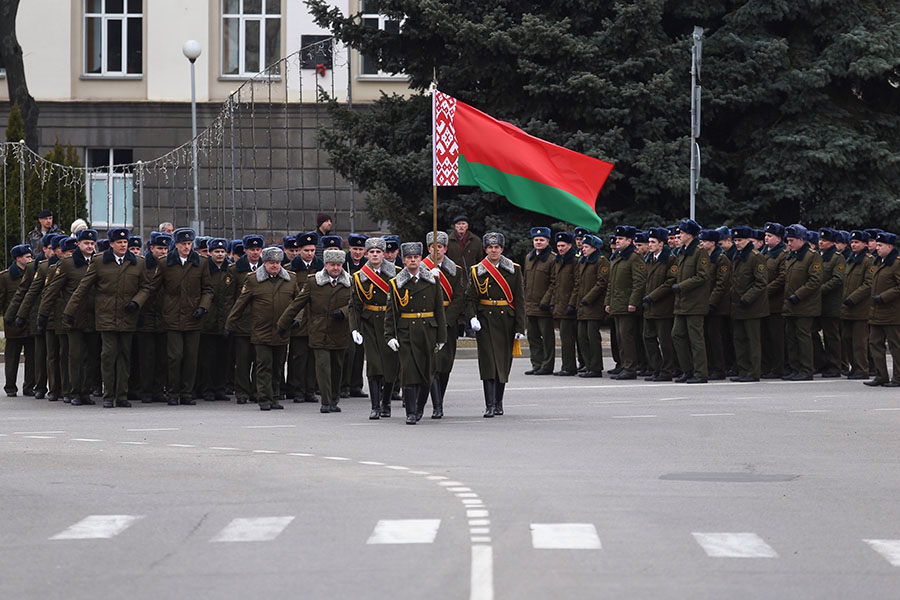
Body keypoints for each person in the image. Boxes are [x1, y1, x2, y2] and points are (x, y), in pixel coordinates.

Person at [64, 228, 152, 408]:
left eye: (125, 242)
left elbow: (146, 287)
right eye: (119, 242)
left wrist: (137, 303)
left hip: (128, 316)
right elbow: (83, 288)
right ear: (111, 244)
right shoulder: (99, 262)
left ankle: (121, 395)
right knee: (108, 355)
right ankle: (108, 395)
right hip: (106, 316)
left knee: (124, 356)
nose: (123, 245)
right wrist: (69, 312)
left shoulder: (138, 263)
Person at [279, 247, 352, 413]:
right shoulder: (314, 282)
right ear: (325, 265)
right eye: (332, 264)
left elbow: (356, 305)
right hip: (319, 331)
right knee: (323, 367)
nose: (335, 268)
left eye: (339, 265)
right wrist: (283, 324)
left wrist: (344, 312)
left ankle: (334, 400)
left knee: (337, 368)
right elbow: (296, 304)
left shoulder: (349, 283)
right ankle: (326, 402)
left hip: (340, 332)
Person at [227, 247, 300, 410]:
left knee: (278, 365)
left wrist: (296, 319)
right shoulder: (253, 280)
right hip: (261, 330)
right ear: (264, 263)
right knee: (264, 365)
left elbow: (299, 303)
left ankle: (275, 396)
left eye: (277, 263)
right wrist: (230, 324)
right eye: (271, 263)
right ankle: (264, 398)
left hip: (282, 330)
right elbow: (240, 304)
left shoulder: (291, 279)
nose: (274, 266)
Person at [384, 242, 447, 424]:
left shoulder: (432, 281)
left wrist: (441, 336)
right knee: (409, 372)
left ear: (421, 259)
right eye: (409, 258)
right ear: (403, 260)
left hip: (428, 330)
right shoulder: (396, 283)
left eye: (416, 257)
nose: (413, 260)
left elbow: (439, 311)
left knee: (427, 374)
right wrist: (389, 336)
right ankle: (411, 412)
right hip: (406, 332)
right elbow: (392, 313)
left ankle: (420, 408)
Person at [465, 232, 525, 417]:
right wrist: (472, 317)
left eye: (496, 247)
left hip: (506, 321)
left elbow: (520, 299)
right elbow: (470, 298)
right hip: (485, 322)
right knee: (488, 363)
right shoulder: (477, 270)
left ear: (502, 249)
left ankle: (499, 402)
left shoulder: (513, 269)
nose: (493, 250)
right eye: (490, 247)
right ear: (485, 249)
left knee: (503, 363)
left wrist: (520, 327)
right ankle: (489, 404)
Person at [151, 227, 213, 405]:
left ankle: (186, 392)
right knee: (174, 357)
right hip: (172, 316)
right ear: (176, 244)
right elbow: (153, 287)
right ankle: (173, 392)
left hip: (194, 316)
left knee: (191, 357)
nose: (187, 247)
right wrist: (139, 303)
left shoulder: (201, 262)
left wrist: (203, 307)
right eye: (183, 244)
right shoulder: (165, 263)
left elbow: (208, 289)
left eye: (189, 243)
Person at [40, 229, 100, 405]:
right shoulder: (67, 264)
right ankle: (74, 392)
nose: (89, 246)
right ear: (78, 244)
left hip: (94, 317)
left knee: (91, 357)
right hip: (72, 317)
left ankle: (86, 391)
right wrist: (43, 314)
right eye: (86, 243)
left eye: (92, 243)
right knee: (75, 356)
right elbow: (52, 291)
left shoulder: (98, 262)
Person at [349, 237, 398, 419]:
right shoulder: (360, 277)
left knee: (390, 366)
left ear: (384, 254)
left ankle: (386, 404)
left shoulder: (395, 273)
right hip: (370, 324)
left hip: (390, 324)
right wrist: (355, 328)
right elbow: (354, 305)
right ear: (367, 254)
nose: (375, 255)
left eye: (378, 252)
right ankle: (375, 406)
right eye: (372, 252)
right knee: (374, 366)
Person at [423, 230, 464, 417]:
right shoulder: (419, 268)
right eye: (432, 247)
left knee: (445, 364)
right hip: (427, 321)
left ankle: (440, 400)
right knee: (432, 364)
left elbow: (458, 298)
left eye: (439, 247)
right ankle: (436, 406)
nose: (435, 250)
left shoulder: (455, 270)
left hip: (447, 321)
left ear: (445, 249)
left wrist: (447, 320)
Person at [13, 234, 57, 399]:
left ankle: (56, 387)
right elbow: (26, 293)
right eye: (51, 248)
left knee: (55, 354)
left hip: (56, 316)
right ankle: (39, 386)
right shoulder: (36, 266)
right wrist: (17, 316)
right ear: (45, 249)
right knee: (39, 354)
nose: (54, 251)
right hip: (38, 315)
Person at [604, 225, 646, 380]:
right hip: (617, 303)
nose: (618, 241)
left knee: (627, 337)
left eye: (621, 239)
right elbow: (611, 283)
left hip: (627, 304)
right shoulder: (617, 257)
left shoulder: (634, 258)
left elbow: (639, 282)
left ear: (629, 240)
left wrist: (633, 302)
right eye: (617, 238)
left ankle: (630, 368)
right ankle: (624, 365)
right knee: (620, 338)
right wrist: (608, 302)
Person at [671, 219, 711, 384]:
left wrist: (682, 286)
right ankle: (687, 369)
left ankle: (701, 373)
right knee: (677, 334)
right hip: (682, 302)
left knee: (696, 338)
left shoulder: (699, 251)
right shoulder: (684, 250)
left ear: (690, 235)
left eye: (681, 233)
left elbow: (702, 275)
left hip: (694, 302)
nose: (679, 235)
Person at [781, 224, 822, 381]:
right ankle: (795, 368)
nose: (789, 244)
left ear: (801, 239)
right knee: (791, 337)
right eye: (787, 241)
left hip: (805, 305)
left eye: (791, 240)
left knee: (803, 337)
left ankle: (806, 369)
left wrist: (798, 296)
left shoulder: (812, 256)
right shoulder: (792, 255)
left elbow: (814, 280)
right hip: (790, 305)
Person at [227, 234, 264, 404]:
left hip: (260, 322)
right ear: (246, 250)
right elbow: (230, 298)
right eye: (252, 250)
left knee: (259, 360)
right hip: (242, 322)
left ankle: (257, 391)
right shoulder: (236, 269)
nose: (255, 253)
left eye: (258, 249)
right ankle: (241, 391)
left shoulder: (267, 267)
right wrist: (231, 321)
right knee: (242, 360)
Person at [728, 226, 769, 381]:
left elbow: (761, 282)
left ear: (748, 240)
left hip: (752, 307)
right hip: (738, 305)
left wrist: (747, 298)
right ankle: (743, 370)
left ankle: (753, 372)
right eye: (735, 240)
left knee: (752, 340)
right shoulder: (738, 256)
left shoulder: (755, 257)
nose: (737, 243)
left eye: (740, 240)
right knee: (739, 339)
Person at [31, 235, 69, 401]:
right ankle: (52, 388)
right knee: (51, 355)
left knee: (66, 354)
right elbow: (34, 293)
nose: (65, 253)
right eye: (61, 249)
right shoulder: (46, 267)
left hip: (66, 317)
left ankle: (67, 387)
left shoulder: (74, 266)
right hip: (51, 317)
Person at [286, 232, 322, 403]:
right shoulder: (290, 269)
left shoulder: (321, 268)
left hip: (316, 319)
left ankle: (310, 389)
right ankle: (297, 390)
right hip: (299, 320)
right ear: (299, 250)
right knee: (298, 357)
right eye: (306, 250)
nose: (309, 253)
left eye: (312, 250)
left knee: (312, 357)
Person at [136, 232, 172, 403]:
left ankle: (159, 389)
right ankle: (145, 390)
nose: (163, 252)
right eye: (159, 248)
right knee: (146, 358)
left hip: (164, 317)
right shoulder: (143, 265)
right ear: (151, 248)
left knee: (162, 357)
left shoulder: (170, 266)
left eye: (165, 248)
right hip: (146, 317)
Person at [199, 238, 234, 401]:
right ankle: (207, 388)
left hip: (225, 320)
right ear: (210, 253)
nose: (220, 255)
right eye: (216, 252)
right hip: (208, 320)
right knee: (207, 359)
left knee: (223, 358)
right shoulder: (204, 269)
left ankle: (220, 388)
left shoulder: (231, 271)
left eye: (222, 252)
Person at [864, 231, 900, 387]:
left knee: (895, 346)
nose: (876, 248)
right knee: (874, 343)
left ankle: (898, 377)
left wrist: (884, 296)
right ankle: (881, 375)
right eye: (876, 245)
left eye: (880, 245)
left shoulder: (897, 263)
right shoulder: (879, 262)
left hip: (892, 312)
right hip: (876, 312)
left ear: (890, 246)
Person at [641, 227, 677, 381]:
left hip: (663, 306)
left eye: (652, 242)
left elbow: (671, 281)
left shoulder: (670, 259)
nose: (649, 245)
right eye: (649, 242)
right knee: (647, 337)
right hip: (649, 307)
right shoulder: (649, 258)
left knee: (665, 341)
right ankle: (656, 368)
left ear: (661, 244)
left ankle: (667, 370)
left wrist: (652, 296)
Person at [0, 244, 34, 396]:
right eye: (27, 257)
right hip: (12, 323)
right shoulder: (6, 277)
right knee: (12, 357)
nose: (30, 259)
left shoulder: (33, 273)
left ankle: (29, 387)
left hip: (29, 321)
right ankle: (10, 387)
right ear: (18, 258)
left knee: (32, 357)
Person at [574, 234, 609, 377]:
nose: (583, 249)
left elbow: (602, 283)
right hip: (582, 305)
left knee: (592, 337)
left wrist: (588, 299)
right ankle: (588, 365)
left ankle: (595, 368)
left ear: (594, 248)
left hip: (593, 305)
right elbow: (579, 283)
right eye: (583, 247)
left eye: (586, 247)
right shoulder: (583, 261)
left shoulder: (601, 261)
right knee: (582, 336)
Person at [840, 230, 874, 379]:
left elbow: (869, 284)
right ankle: (854, 367)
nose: (853, 245)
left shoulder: (869, 260)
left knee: (859, 342)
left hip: (861, 308)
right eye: (852, 242)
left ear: (865, 244)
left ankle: (862, 369)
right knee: (847, 338)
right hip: (847, 308)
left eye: (857, 242)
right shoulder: (851, 258)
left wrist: (852, 298)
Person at [698, 229, 731, 380]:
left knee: (715, 337)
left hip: (718, 306)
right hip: (705, 303)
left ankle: (719, 368)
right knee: (707, 337)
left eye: (704, 241)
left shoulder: (721, 259)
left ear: (712, 243)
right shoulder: (705, 257)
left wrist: (711, 303)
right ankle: (711, 366)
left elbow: (721, 284)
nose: (701, 243)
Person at [523, 227, 556, 375]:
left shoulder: (552, 258)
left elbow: (554, 283)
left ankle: (547, 365)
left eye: (542, 240)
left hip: (544, 305)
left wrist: (546, 301)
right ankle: (536, 363)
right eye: (536, 240)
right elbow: (525, 281)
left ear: (548, 241)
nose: (538, 242)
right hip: (530, 304)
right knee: (533, 336)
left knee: (547, 337)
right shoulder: (529, 258)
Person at [547, 231, 579, 376]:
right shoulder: (558, 260)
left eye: (563, 245)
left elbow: (577, 284)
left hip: (568, 305)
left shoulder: (574, 261)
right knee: (564, 338)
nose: (560, 248)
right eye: (558, 245)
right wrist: (553, 302)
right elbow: (555, 284)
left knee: (568, 339)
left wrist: (572, 304)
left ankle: (569, 367)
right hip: (560, 303)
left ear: (570, 245)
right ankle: (566, 365)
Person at [816, 228, 846, 377]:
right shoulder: (818, 256)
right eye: (820, 239)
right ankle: (821, 362)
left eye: (825, 240)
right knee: (813, 333)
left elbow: (838, 279)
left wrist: (819, 290)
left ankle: (835, 366)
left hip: (831, 303)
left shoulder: (836, 257)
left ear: (832, 242)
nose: (820, 242)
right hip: (816, 304)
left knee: (831, 336)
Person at [341, 233, 368, 398]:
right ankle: (343, 385)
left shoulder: (367, 265)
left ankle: (356, 385)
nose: (357, 252)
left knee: (359, 351)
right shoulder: (343, 263)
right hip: (347, 310)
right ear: (349, 248)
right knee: (347, 351)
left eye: (360, 249)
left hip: (364, 311)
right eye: (354, 249)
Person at [761, 222, 788, 378]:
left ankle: (778, 368)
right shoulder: (765, 253)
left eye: (770, 236)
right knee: (765, 337)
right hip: (764, 303)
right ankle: (766, 366)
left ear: (778, 238)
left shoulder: (783, 254)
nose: (766, 238)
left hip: (776, 302)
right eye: (765, 235)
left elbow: (782, 278)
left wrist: (765, 291)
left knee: (776, 338)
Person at [446, 215, 484, 280]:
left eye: (463, 224)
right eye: (459, 224)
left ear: (467, 226)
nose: (461, 226)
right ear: (455, 226)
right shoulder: (448, 241)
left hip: (471, 277)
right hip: (453, 278)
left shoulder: (476, 241)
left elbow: (480, 259)